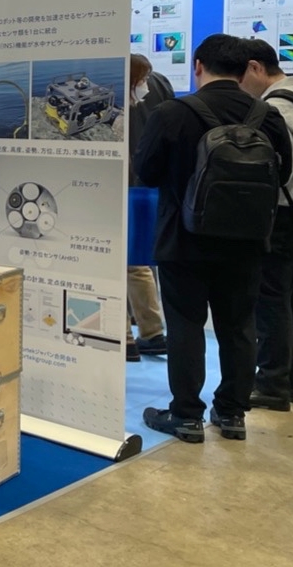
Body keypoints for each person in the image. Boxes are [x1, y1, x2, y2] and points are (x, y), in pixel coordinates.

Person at [135, 34, 293, 442]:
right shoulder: (267, 116)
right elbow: (283, 173)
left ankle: (187, 415)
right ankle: (232, 413)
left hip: (182, 238)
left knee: (186, 325)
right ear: (244, 70)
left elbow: (147, 173)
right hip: (247, 241)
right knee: (239, 326)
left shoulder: (172, 113)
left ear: (198, 66)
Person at [240, 38, 293, 412]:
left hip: (281, 214)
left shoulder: (276, 111)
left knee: (271, 300)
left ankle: (273, 383)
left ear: (256, 68)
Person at [126, 54, 168, 361]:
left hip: (124, 186)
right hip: (149, 185)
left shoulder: (117, 91)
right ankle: (151, 332)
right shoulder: (161, 85)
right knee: (138, 262)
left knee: (122, 262)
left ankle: (126, 337)